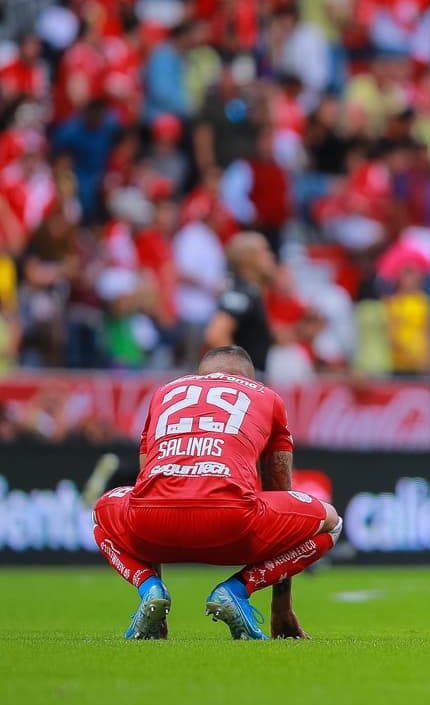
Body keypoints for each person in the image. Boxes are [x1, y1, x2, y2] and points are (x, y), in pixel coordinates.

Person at [91, 346, 343, 639]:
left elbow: (146, 483)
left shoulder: (164, 394)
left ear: (201, 375)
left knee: (100, 514)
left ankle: (149, 589)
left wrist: (156, 615)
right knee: (331, 522)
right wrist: (281, 607)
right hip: (230, 525)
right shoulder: (267, 396)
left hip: (153, 526)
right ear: (251, 378)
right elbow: (279, 487)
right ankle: (238, 589)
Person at [205, 232, 275, 373]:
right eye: (265, 250)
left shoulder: (250, 291)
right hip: (245, 383)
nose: (271, 256)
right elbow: (216, 334)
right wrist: (239, 374)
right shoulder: (241, 292)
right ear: (247, 258)